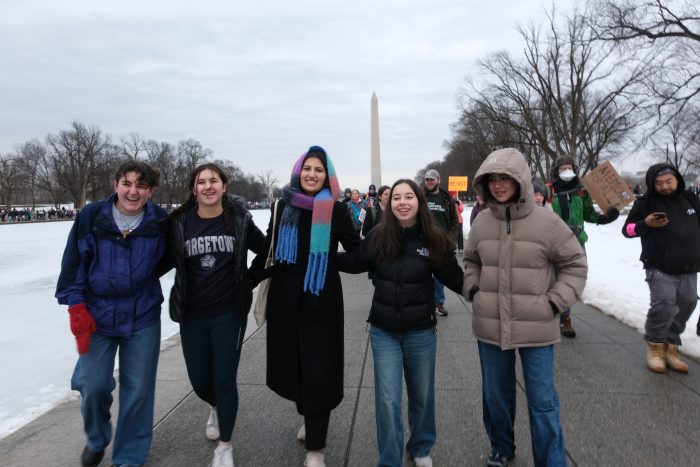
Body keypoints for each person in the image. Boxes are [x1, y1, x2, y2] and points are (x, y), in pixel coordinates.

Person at [464, 148, 587, 467]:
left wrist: (555, 301)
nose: (498, 185)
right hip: (490, 325)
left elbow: (575, 263)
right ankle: (501, 447)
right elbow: (471, 261)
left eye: (505, 178)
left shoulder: (547, 222)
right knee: (495, 398)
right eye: (492, 179)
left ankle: (550, 460)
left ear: (520, 180)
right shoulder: (481, 223)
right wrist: (474, 289)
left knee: (543, 402)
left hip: (537, 326)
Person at [337, 179, 463, 467]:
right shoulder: (378, 236)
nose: (402, 202)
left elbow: (456, 278)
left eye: (409, 196)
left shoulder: (433, 239)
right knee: (388, 400)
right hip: (384, 333)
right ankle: (390, 459)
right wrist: (320, 257)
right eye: (396, 198)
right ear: (389, 203)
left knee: (422, 396)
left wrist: (484, 291)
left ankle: (420, 447)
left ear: (418, 201)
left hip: (421, 331)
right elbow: (355, 262)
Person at [251, 146, 360, 467]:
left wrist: (329, 262)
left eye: (320, 170)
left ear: (328, 176)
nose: (313, 174)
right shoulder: (283, 207)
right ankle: (308, 413)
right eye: (308, 168)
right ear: (299, 172)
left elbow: (357, 253)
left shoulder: (337, 211)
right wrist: (246, 279)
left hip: (322, 300)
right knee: (295, 365)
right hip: (286, 301)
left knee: (319, 370)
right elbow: (269, 251)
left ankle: (317, 447)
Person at [55, 161, 167, 467]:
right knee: (93, 386)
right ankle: (97, 437)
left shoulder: (159, 221)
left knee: (138, 391)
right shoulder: (93, 217)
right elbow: (73, 265)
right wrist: (76, 306)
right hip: (97, 315)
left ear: (150, 191)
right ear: (115, 184)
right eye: (127, 184)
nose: (133, 191)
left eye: (141, 186)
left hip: (142, 314)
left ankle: (129, 457)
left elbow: (177, 258)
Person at [163, 163, 266, 467]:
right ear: (193, 189)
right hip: (192, 313)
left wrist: (252, 277)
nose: (208, 186)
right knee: (199, 381)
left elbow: (266, 248)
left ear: (224, 186)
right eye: (201, 182)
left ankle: (225, 446)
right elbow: (162, 259)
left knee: (224, 377)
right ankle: (216, 406)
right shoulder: (179, 222)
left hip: (229, 312)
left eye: (214, 181)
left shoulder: (239, 219)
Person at [621, 163, 700, 374]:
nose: (664, 186)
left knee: (688, 302)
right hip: (659, 266)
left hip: (689, 266)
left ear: (677, 179)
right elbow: (627, 230)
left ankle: (671, 346)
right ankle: (655, 346)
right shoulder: (645, 203)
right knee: (664, 303)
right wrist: (645, 224)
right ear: (651, 184)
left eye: (668, 181)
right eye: (659, 183)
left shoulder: (691, 199)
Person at [546, 155, 618, 337]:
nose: (567, 172)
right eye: (563, 169)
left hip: (577, 242)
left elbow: (589, 214)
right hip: (554, 242)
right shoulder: (549, 191)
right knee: (554, 280)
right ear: (556, 171)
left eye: (570, 168)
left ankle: (564, 315)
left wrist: (606, 218)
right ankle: (558, 315)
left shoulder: (582, 191)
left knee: (571, 281)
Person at [423, 169, 459, 316]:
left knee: (439, 276)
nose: (429, 182)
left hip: (441, 243)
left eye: (432, 179)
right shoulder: (420, 197)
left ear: (438, 180)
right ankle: (424, 302)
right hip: (423, 240)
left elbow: (454, 221)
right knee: (422, 273)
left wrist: (449, 240)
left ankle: (438, 302)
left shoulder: (446, 199)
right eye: (427, 179)